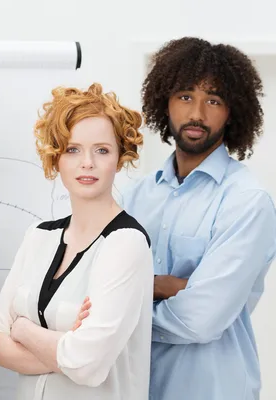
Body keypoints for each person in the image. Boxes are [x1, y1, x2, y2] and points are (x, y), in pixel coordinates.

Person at [121, 37, 276, 399]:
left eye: (214, 100)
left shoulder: (247, 202)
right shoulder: (133, 197)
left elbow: (202, 318)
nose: (197, 114)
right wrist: (177, 285)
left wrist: (131, 306)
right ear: (166, 102)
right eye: (186, 96)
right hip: (135, 387)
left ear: (232, 111)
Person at [0, 83, 154, 399]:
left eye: (102, 150)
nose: (86, 162)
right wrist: (65, 349)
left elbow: (87, 365)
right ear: (56, 157)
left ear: (119, 158)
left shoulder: (126, 242)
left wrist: (21, 329)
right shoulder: (39, 236)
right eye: (73, 149)